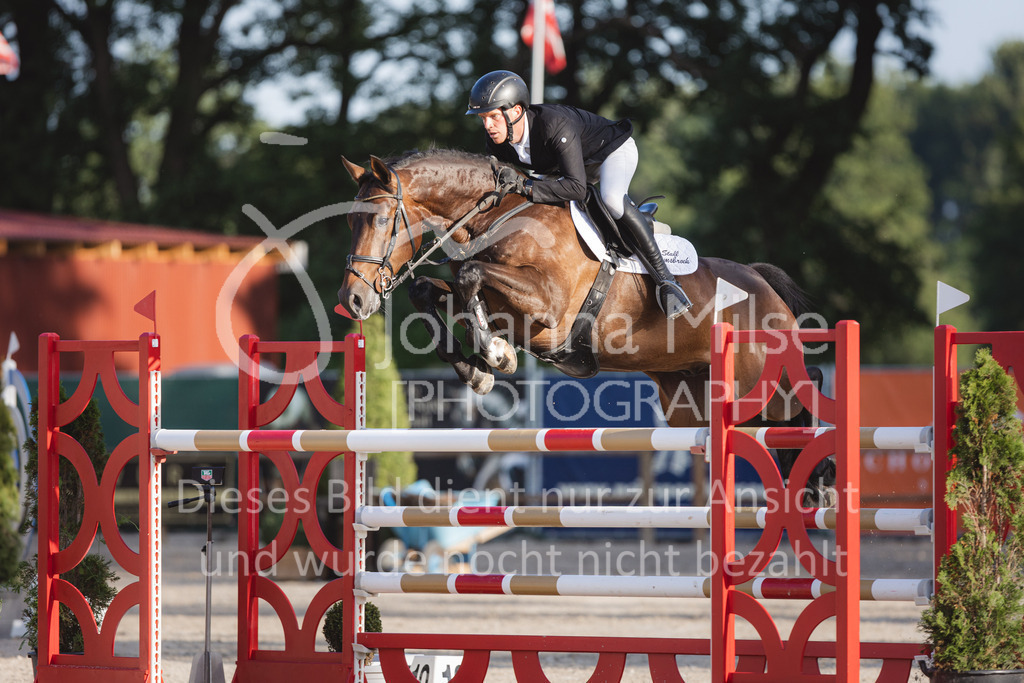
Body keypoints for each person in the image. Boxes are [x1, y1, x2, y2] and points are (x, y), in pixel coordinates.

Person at [466, 70, 692, 318]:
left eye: (493, 116)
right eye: (483, 118)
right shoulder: (497, 140)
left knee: (612, 200)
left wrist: (527, 186)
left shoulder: (553, 124)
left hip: (611, 152)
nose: (487, 125)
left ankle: (667, 282)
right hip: (568, 167)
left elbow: (576, 188)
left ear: (516, 111)